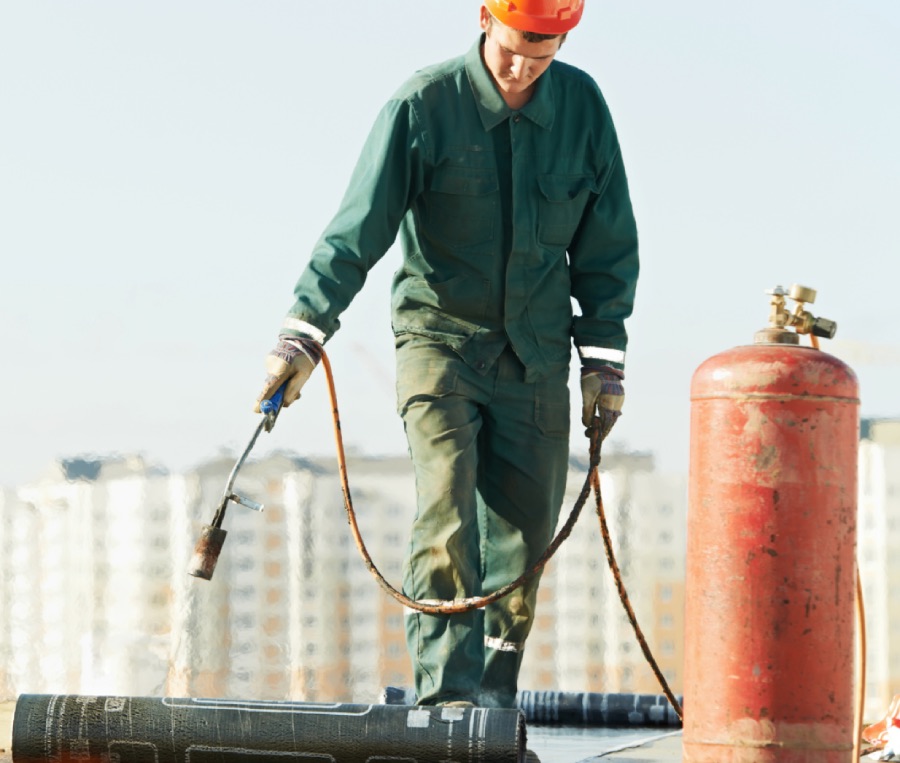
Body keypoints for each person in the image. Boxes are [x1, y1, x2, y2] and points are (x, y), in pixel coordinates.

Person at [255, 0, 639, 708]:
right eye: (515, 48)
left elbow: (607, 246)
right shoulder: (422, 106)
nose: (523, 68)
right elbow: (356, 230)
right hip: (440, 344)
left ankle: (492, 696)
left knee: (525, 534)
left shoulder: (582, 109)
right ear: (484, 18)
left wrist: (603, 362)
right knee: (448, 515)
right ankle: (446, 702)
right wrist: (304, 333)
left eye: (543, 55)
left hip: (535, 355)